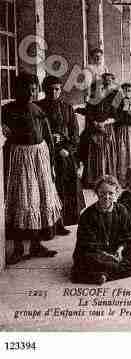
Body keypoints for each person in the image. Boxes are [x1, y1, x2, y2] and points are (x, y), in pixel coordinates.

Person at [2, 73, 62, 264]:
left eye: (34, 88)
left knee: (40, 199)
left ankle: (36, 245)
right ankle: (19, 248)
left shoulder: (38, 109)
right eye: (27, 88)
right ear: (18, 90)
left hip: (40, 158)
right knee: (23, 199)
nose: (31, 92)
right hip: (20, 159)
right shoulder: (7, 110)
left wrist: (51, 162)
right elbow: (5, 135)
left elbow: (48, 137)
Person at [71, 175, 131, 284]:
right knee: (86, 260)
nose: (106, 197)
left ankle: (103, 274)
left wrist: (120, 249)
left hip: (117, 249)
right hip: (97, 252)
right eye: (102, 193)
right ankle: (112, 271)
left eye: (110, 193)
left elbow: (128, 236)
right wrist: (106, 255)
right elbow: (86, 243)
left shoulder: (121, 210)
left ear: (116, 193)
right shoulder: (87, 215)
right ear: (96, 192)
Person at [37, 75, 85, 233]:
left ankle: (62, 221)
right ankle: (48, 225)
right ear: (44, 90)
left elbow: (75, 135)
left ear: (60, 90)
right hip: (45, 154)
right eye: (50, 89)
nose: (53, 92)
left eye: (57, 89)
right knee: (48, 189)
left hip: (65, 155)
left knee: (65, 188)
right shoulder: (38, 107)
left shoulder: (67, 108)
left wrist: (68, 148)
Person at [80, 72, 118, 188]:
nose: (104, 88)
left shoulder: (114, 97)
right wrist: (95, 123)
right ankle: (93, 179)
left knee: (107, 153)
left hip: (107, 128)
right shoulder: (92, 100)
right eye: (101, 86)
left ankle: (107, 179)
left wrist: (104, 123)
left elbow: (116, 116)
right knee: (94, 152)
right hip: (94, 129)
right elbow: (89, 114)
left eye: (107, 84)